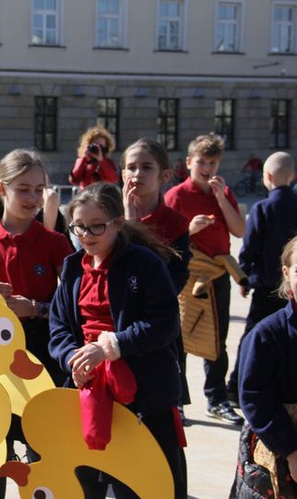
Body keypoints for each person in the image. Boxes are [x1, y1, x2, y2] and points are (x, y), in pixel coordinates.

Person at [49, 182, 187, 499]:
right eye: (79, 227)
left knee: (147, 483)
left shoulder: (145, 263)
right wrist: (73, 358)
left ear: (118, 222)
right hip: (87, 390)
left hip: (144, 390)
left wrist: (110, 347)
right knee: (87, 482)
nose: (86, 235)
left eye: (96, 226)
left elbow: (164, 324)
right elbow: (58, 328)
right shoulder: (72, 268)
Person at [0, 149, 72, 498]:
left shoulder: (56, 243)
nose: (32, 198)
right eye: (23, 188)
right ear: (1, 189)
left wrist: (36, 308)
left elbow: (71, 306)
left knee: (42, 451)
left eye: (39, 190)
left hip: (42, 358)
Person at [164, 133, 246, 425]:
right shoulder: (176, 196)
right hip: (187, 275)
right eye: (202, 162)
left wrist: (222, 199)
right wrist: (190, 231)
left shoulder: (222, 192)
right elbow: (162, 239)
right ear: (189, 163)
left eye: (213, 163)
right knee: (181, 339)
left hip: (217, 275)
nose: (208, 168)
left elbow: (239, 230)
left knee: (217, 338)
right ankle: (178, 401)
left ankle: (217, 398)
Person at [121, 138, 192, 422]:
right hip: (117, 322)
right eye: (131, 167)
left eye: (146, 167)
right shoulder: (109, 216)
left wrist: (133, 226)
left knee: (158, 412)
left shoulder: (174, 223)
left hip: (157, 324)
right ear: (122, 174)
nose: (137, 174)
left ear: (165, 175)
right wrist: (125, 219)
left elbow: (173, 278)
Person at [226, 152, 297, 405]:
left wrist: (244, 278)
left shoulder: (263, 208)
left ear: (267, 177)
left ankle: (236, 387)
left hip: (267, 286)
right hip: (293, 289)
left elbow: (249, 248)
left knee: (253, 337)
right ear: (293, 177)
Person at [229, 235, 297, 498]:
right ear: (286, 273)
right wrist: (291, 450)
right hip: (278, 446)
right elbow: (255, 398)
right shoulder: (266, 334)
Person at [69, 125, 119, 190]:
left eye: (101, 147)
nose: (98, 149)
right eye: (95, 146)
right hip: (86, 195)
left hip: (103, 195)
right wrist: (84, 158)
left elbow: (113, 179)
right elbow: (74, 180)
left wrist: (102, 161)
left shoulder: (108, 163)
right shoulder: (83, 162)